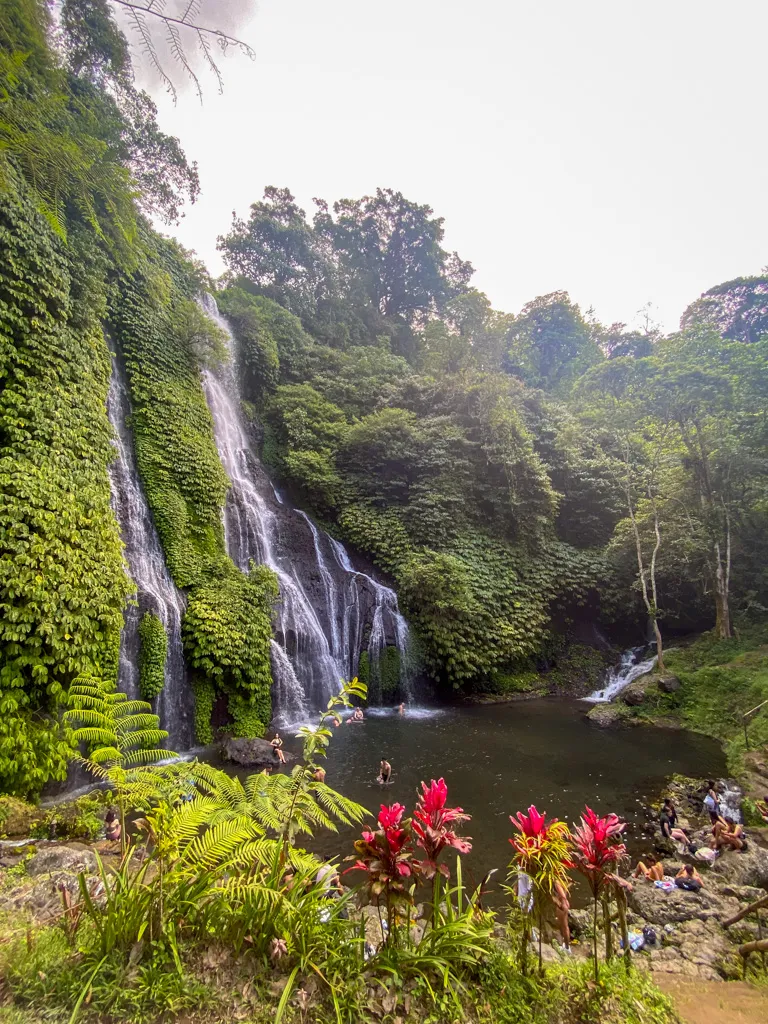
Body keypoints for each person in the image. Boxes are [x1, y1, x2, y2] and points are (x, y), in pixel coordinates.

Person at [552, 880, 571, 948]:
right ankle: (566, 945)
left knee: (564, 926)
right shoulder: (564, 880)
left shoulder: (557, 882)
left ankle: (567, 947)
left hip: (562, 906)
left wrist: (563, 901)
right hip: (564, 905)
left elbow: (562, 895)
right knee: (565, 926)